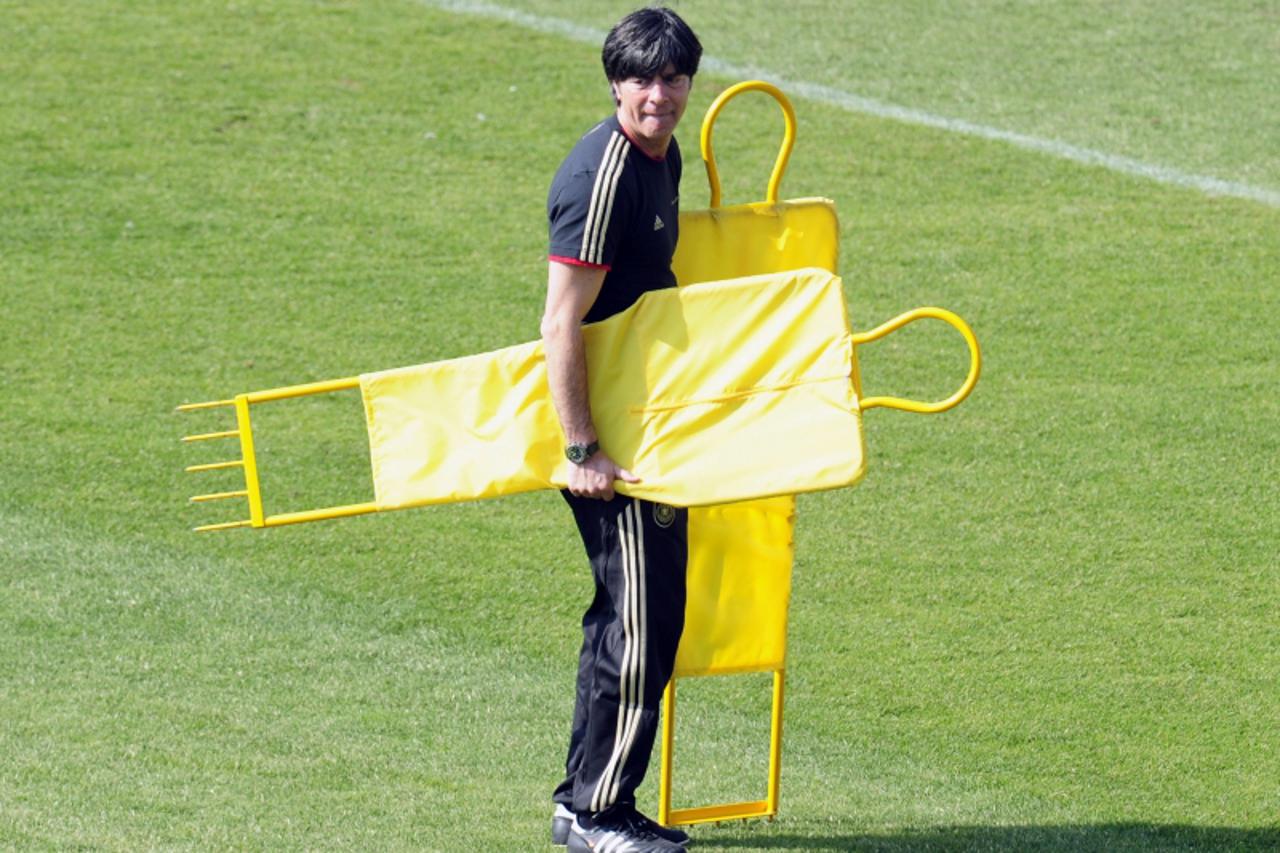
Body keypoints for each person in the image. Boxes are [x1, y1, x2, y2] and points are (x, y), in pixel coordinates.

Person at [540, 8, 702, 853]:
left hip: (652, 423)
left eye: (673, 79)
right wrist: (582, 451)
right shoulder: (604, 176)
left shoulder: (662, 153)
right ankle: (597, 815)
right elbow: (559, 324)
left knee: (637, 617)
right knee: (637, 623)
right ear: (615, 82)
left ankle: (588, 799)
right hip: (612, 439)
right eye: (642, 79)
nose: (658, 96)